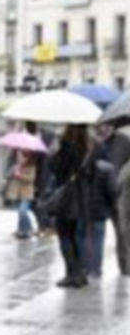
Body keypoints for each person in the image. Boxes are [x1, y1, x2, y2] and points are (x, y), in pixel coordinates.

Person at [49, 125, 103, 289]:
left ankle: (71, 274)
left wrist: (54, 152)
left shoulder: (66, 145)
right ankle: (80, 273)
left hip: (67, 198)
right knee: (75, 236)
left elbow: (55, 168)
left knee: (65, 235)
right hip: (82, 198)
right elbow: (94, 173)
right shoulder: (91, 147)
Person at [78, 158, 117, 279]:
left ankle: (84, 267)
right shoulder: (107, 168)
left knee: (81, 237)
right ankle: (96, 269)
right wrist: (111, 206)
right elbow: (112, 190)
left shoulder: (78, 166)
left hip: (81, 208)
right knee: (98, 240)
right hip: (99, 209)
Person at [103, 121, 130, 276]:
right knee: (122, 231)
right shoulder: (119, 140)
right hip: (119, 195)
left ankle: (125, 266)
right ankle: (125, 266)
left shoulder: (119, 139)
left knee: (122, 231)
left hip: (119, 195)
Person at [27, 122, 56, 237]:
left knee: (40, 203)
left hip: (44, 180)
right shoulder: (44, 149)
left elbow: (40, 164)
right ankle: (45, 226)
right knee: (38, 203)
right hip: (43, 179)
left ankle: (46, 226)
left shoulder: (45, 150)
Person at [6, 150, 36, 240]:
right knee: (20, 212)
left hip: (26, 193)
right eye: (18, 157)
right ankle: (21, 230)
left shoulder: (31, 167)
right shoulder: (16, 166)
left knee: (22, 211)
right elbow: (8, 175)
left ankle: (29, 228)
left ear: (27, 158)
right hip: (16, 192)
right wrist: (13, 172)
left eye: (22, 157)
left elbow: (31, 179)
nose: (20, 159)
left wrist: (20, 175)